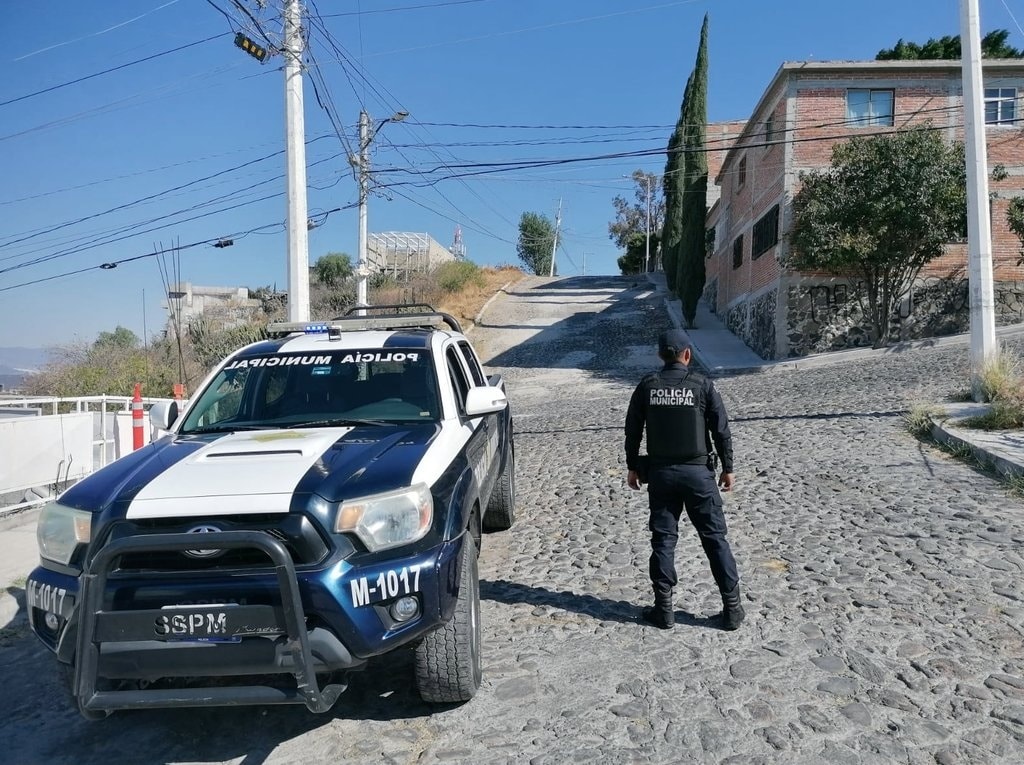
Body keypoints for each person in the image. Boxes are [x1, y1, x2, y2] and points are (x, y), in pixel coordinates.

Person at [624, 328, 745, 631]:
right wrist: (728, 467)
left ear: (659, 355)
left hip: (662, 475)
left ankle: (663, 611)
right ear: (687, 354)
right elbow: (721, 429)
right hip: (699, 475)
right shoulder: (702, 385)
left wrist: (632, 466)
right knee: (715, 540)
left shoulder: (647, 386)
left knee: (663, 540)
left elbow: (632, 429)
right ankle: (732, 610)